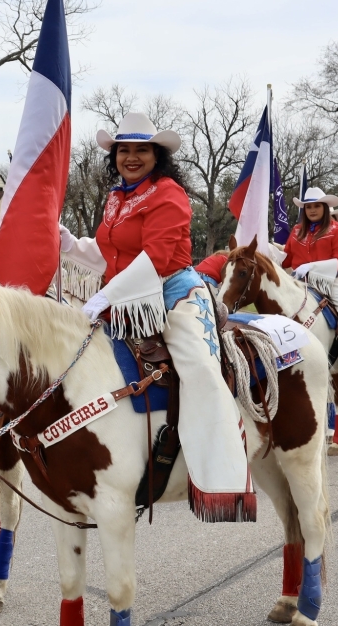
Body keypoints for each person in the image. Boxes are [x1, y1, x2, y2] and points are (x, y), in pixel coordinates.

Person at [59, 112, 252, 533]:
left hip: (173, 294)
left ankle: (222, 474)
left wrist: (103, 297)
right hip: (125, 300)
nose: (131, 157)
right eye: (123, 150)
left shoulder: (169, 193)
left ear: (156, 155)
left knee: (201, 369)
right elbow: (111, 254)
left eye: (140, 150)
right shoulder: (116, 197)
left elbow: (156, 258)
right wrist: (70, 245)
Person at [283, 187, 338, 382]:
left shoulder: (337, 229)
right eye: (308, 207)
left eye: (316, 206)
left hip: (333, 280)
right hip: (301, 281)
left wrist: (313, 266)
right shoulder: (296, 231)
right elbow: (287, 259)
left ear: (324, 207)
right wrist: (269, 253)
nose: (312, 210)